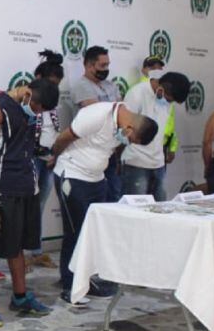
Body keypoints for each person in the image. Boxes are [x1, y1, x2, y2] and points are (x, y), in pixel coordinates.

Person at [0, 79, 61, 327]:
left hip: (28, 185)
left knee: (19, 245)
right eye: (37, 108)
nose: (37, 113)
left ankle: (20, 297)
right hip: (1, 188)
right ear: (28, 94)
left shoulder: (31, 111)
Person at [52, 102, 158, 303]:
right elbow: (65, 137)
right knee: (75, 233)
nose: (128, 143)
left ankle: (85, 280)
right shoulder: (97, 115)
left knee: (92, 234)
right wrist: (55, 157)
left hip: (97, 180)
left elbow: (111, 148)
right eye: (131, 140)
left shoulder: (123, 124)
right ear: (129, 129)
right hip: (72, 175)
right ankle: (70, 285)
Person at [121, 70, 191, 200]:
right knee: (136, 209)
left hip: (158, 163)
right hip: (135, 163)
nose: (169, 103)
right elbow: (124, 128)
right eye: (169, 99)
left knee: (160, 208)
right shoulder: (137, 94)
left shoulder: (165, 99)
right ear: (162, 88)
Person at [26, 50, 64, 269]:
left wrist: (55, 154)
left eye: (57, 85)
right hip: (32, 158)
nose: (54, 89)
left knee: (39, 206)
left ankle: (36, 251)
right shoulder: (28, 103)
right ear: (39, 79)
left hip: (50, 158)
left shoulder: (53, 104)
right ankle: (20, 254)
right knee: (26, 206)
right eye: (51, 84)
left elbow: (55, 132)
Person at [69, 45, 123, 201]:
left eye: (107, 65)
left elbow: (122, 111)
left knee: (114, 194)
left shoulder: (110, 85)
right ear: (89, 65)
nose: (106, 69)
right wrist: (116, 111)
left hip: (111, 149)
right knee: (94, 198)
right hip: (90, 151)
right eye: (102, 65)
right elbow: (97, 114)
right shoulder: (81, 86)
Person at [137, 56, 181, 184]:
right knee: (142, 190)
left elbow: (170, 121)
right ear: (144, 70)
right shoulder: (140, 90)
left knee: (157, 189)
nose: (157, 71)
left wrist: (172, 146)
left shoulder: (165, 92)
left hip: (162, 147)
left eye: (160, 68)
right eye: (152, 68)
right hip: (145, 147)